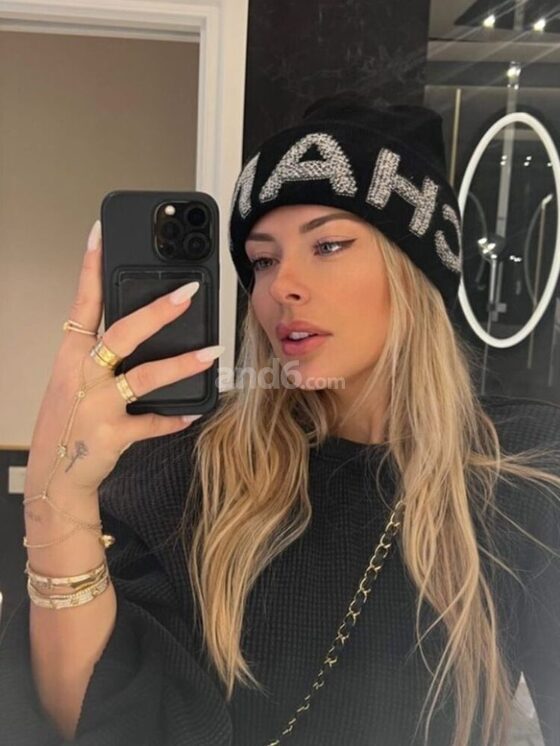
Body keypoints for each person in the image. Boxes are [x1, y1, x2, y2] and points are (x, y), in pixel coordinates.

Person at [1, 91, 559, 746]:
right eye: (263, 260)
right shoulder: (183, 467)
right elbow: (98, 724)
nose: (281, 286)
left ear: (415, 270)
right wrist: (56, 496)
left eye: (328, 244)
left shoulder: (527, 471)